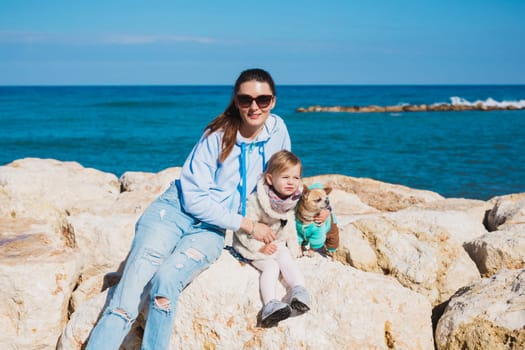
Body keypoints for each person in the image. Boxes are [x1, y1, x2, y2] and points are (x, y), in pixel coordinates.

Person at [86, 68, 291, 350]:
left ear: (273, 101)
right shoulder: (217, 135)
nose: (254, 106)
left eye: (262, 100)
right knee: (127, 297)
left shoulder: (278, 130)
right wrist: (248, 225)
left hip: (211, 229)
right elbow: (194, 199)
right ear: (236, 100)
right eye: (246, 100)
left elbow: (281, 180)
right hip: (173, 213)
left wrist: (311, 213)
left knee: (165, 285)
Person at [232, 150, 310, 328]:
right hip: (250, 246)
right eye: (285, 177)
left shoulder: (289, 199)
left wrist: (293, 245)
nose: (291, 182)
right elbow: (243, 230)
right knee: (272, 266)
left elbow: (288, 223)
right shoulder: (256, 201)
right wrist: (258, 248)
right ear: (269, 179)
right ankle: (270, 305)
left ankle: (299, 291)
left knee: (285, 257)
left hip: (273, 244)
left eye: (296, 178)